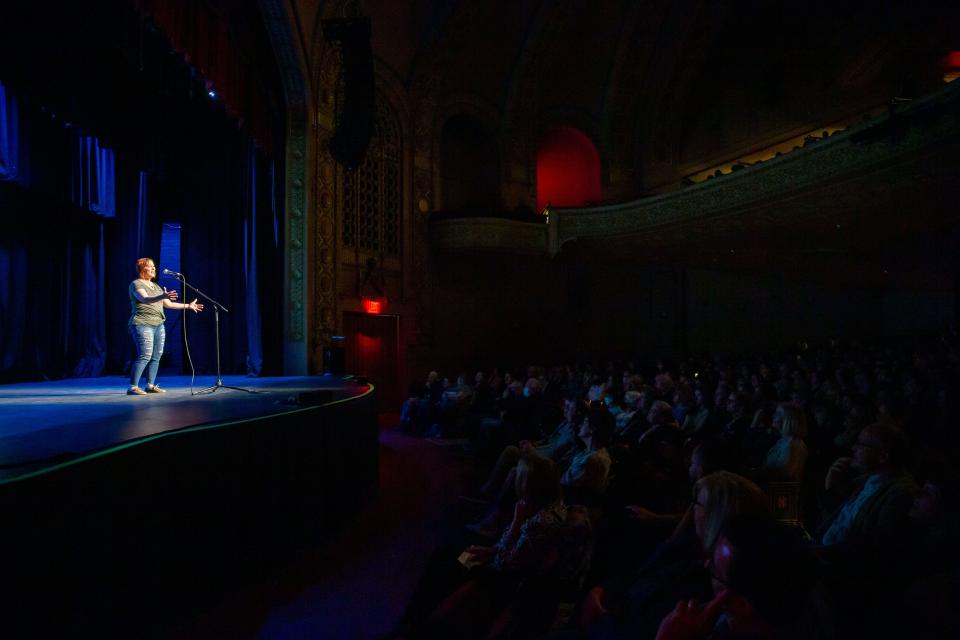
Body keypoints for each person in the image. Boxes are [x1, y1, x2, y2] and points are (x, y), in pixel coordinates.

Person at [127, 258, 203, 395]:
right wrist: (162, 296)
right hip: (142, 324)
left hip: (158, 324)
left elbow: (169, 304)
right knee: (145, 355)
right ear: (142, 269)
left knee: (157, 355)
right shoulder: (136, 284)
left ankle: (150, 385)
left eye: (154, 267)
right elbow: (144, 299)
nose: (153, 269)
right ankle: (132, 387)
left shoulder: (156, 286)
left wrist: (188, 306)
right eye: (150, 267)